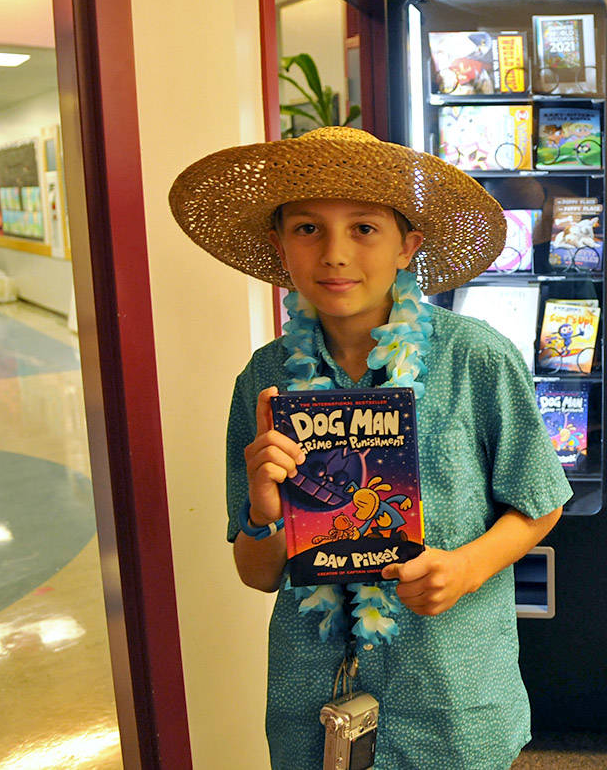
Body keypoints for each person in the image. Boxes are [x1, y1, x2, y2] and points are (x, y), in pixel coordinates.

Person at [168, 126, 570, 770]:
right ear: (279, 245)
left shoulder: (475, 358)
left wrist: (467, 567)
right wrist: (263, 512)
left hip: (450, 694)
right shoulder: (265, 379)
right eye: (306, 229)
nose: (334, 254)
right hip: (314, 697)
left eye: (363, 228)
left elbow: (541, 501)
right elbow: (257, 572)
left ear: (409, 245)